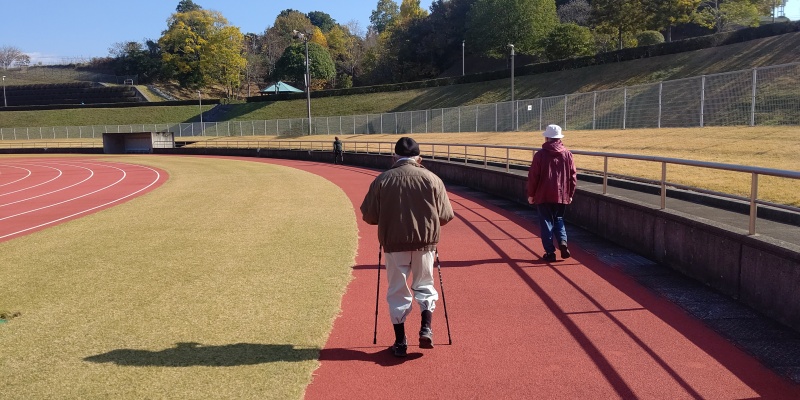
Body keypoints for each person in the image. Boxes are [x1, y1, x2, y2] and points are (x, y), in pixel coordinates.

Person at [360, 137, 454, 357]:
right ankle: (426, 328)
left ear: (394, 158)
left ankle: (400, 341)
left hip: (394, 244)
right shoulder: (432, 179)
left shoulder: (382, 180)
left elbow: (369, 216)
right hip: (425, 243)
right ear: (419, 158)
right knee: (425, 285)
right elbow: (446, 215)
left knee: (397, 290)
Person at [527, 124, 577, 262]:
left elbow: (533, 176)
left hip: (543, 194)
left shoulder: (540, 155)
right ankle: (562, 241)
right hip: (561, 194)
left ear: (547, 138)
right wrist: (570, 194)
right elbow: (573, 176)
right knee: (558, 219)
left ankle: (550, 252)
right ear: (559, 138)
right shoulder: (567, 154)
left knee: (546, 222)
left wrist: (531, 194)